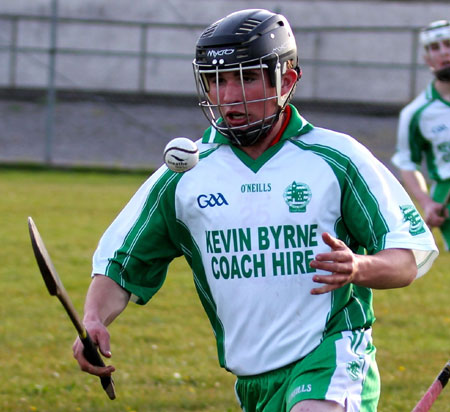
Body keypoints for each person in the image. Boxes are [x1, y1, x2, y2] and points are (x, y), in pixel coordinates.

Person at [73, 9, 438, 412]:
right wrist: (94, 319)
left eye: (245, 77)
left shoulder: (338, 158)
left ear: (287, 80)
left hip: (332, 355)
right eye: (216, 81)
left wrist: (357, 268)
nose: (228, 97)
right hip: (252, 380)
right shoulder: (184, 175)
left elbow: (406, 258)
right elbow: (122, 264)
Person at [391, 19, 450, 251]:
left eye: (448, 43)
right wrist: (427, 203)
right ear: (427, 59)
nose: (444, 51)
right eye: (435, 48)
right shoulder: (415, 113)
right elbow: (407, 163)